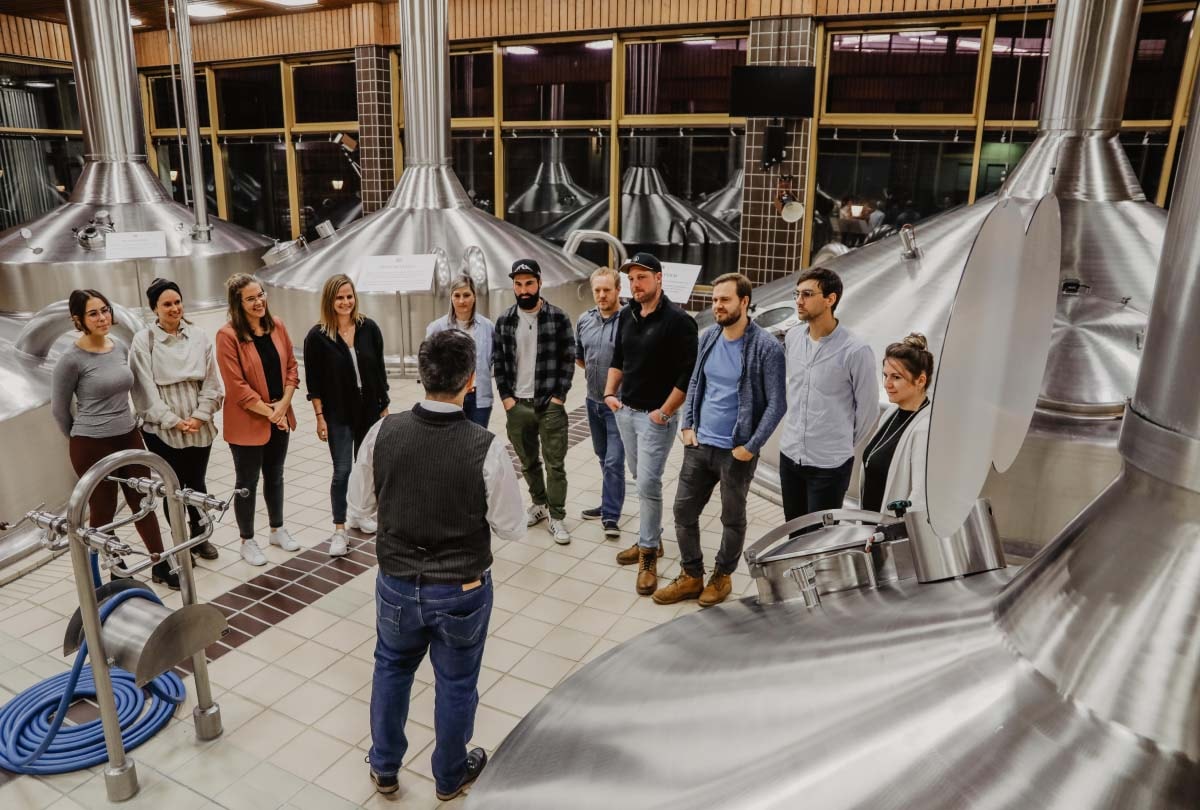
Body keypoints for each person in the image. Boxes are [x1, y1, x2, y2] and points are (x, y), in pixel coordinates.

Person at [350, 330, 524, 802]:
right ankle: (449, 777)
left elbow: (359, 506)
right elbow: (511, 526)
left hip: (397, 583)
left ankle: (384, 767)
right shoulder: (484, 446)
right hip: (462, 588)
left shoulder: (382, 432)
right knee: (456, 682)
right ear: (470, 381)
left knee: (391, 670)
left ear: (422, 375)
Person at [654, 273, 787, 608]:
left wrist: (751, 446)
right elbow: (696, 382)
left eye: (725, 300)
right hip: (699, 446)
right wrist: (688, 426)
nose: (718, 306)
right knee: (683, 512)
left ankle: (722, 575)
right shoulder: (709, 337)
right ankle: (691, 573)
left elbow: (777, 403)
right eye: (715, 300)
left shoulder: (766, 348)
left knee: (732, 517)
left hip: (736, 451)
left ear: (744, 302)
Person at [51, 289, 178, 589]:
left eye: (105, 310)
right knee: (103, 511)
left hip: (128, 436)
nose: (102, 317)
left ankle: (160, 564)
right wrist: (83, 436)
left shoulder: (119, 346)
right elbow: (59, 410)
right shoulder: (70, 360)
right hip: (91, 443)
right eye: (93, 313)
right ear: (78, 320)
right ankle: (113, 572)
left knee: (143, 501)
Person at [604, 252, 698, 595]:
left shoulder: (678, 320)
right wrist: (609, 393)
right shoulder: (628, 315)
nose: (635, 284)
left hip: (656, 418)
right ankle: (653, 540)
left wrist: (666, 412)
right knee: (637, 476)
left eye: (641, 277)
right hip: (626, 412)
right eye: (631, 279)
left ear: (659, 278)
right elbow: (619, 358)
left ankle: (648, 554)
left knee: (648, 483)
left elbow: (688, 374)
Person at [129, 278, 224, 562]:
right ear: (154, 309)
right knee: (174, 487)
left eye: (178, 302)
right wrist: (172, 420)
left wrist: (199, 416)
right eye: (167, 304)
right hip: (162, 429)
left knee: (196, 482)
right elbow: (144, 388)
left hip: (198, 424)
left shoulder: (198, 336)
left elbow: (211, 381)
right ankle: (181, 543)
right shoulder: (143, 340)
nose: (174, 308)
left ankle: (200, 534)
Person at [779, 267, 879, 523]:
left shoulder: (855, 350)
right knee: (794, 532)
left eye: (808, 294)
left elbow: (868, 410)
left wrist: (838, 442)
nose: (799, 301)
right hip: (790, 456)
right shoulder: (792, 338)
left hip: (828, 465)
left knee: (820, 539)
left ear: (830, 299)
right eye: (797, 294)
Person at [215, 274, 301, 566]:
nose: (259, 301)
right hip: (249, 422)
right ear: (238, 304)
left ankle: (277, 529)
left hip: (279, 415)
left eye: (261, 294)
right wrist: (271, 412)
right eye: (251, 298)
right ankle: (247, 540)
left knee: (275, 475)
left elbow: (291, 366)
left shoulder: (277, 326)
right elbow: (236, 386)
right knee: (247, 482)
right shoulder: (228, 336)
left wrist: (283, 406)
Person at [304, 274, 389, 558]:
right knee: (343, 471)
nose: (345, 302)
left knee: (366, 467)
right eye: (339, 298)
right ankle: (339, 530)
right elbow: (313, 382)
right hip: (338, 413)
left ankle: (360, 514)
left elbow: (379, 370)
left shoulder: (369, 328)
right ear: (330, 301)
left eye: (349, 296)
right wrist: (319, 416)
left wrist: (384, 404)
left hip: (369, 410)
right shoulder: (317, 337)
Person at [492, 258, 575, 545]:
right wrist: (506, 399)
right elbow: (499, 363)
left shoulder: (558, 317)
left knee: (555, 464)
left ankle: (557, 515)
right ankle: (539, 504)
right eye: (518, 284)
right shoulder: (505, 320)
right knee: (527, 462)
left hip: (549, 405)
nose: (524, 289)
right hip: (518, 405)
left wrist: (559, 397)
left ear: (539, 283)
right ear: (513, 286)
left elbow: (568, 359)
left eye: (529, 283)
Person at [574, 266, 625, 538]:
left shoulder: (630, 321)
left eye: (607, 290)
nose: (602, 295)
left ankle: (611, 516)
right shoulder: (585, 319)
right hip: (592, 402)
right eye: (598, 290)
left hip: (619, 405)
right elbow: (580, 356)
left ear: (618, 290)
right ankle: (608, 502)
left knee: (615, 460)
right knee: (603, 456)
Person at [859, 334, 934, 514]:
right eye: (885, 375)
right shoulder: (892, 413)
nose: (887, 384)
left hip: (894, 535)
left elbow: (920, 499)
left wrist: (889, 533)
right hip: (871, 528)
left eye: (896, 377)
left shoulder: (924, 430)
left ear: (920, 380)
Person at [425, 274, 495, 428]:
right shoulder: (437, 328)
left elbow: (492, 360)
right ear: (451, 297)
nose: (462, 300)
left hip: (479, 397)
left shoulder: (487, 327)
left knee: (476, 440)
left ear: (474, 297)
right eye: (457, 295)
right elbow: (428, 365)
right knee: (452, 442)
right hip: (449, 396)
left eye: (466, 295)